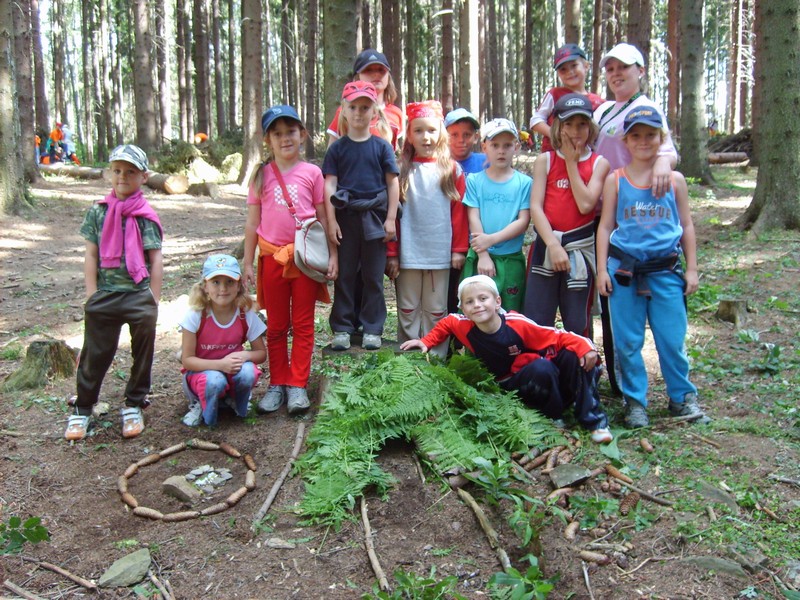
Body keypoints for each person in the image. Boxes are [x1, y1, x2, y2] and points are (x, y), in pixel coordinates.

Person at [596, 107, 708, 428]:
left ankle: (682, 397)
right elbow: (605, 227)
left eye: (650, 135)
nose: (643, 141)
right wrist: (603, 269)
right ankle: (635, 401)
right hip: (624, 273)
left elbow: (686, 225)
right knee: (628, 341)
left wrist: (692, 269)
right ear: (626, 141)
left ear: (661, 139)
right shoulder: (615, 180)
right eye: (636, 136)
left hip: (665, 272)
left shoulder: (675, 181)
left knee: (672, 337)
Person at [400, 275, 612, 443]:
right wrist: (426, 342)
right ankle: (554, 417)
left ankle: (594, 421)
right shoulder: (464, 326)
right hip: (514, 384)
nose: (477, 305)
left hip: (547, 378)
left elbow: (558, 336)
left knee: (575, 355)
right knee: (541, 369)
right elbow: (447, 322)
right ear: (463, 308)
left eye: (483, 299)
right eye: (469, 302)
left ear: (497, 301)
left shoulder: (516, 324)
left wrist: (586, 347)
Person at [593, 42, 679, 396]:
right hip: (604, 208)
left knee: (632, 310)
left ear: (640, 72)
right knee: (614, 308)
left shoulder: (645, 108)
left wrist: (662, 160)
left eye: (624, 68)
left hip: (633, 212)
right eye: (610, 69)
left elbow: (667, 149)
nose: (616, 75)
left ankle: (627, 387)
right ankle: (622, 383)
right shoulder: (604, 111)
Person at [64, 145, 163, 441]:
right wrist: (92, 294)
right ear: (110, 173)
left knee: (142, 352)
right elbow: (91, 255)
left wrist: (153, 299)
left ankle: (134, 403)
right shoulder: (98, 211)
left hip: (137, 295)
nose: (122, 177)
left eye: (130, 171)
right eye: (117, 171)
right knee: (96, 352)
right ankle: (83, 407)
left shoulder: (145, 215)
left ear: (143, 177)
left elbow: (155, 258)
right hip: (105, 295)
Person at [244, 105, 337, 413]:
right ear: (267, 139)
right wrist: (247, 260)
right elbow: (252, 222)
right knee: (276, 325)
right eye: (277, 133)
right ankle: (277, 383)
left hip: (305, 260)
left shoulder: (312, 173)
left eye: (291, 132)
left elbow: (323, 217)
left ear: (303, 135)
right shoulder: (261, 175)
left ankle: (298, 384)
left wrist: (332, 255)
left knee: (303, 323)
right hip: (272, 258)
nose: (285, 139)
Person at [385, 101, 468, 359]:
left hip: (439, 254)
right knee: (408, 308)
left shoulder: (451, 170)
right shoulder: (400, 170)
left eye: (432, 130)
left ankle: (436, 358)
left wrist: (458, 249)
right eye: (419, 130)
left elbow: (459, 213)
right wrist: (392, 253)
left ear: (441, 132)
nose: (426, 137)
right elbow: (393, 216)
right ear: (409, 135)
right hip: (409, 252)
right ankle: (409, 360)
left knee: (436, 309)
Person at [524, 94, 610, 337]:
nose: (575, 131)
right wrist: (552, 244)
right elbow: (536, 207)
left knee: (576, 319)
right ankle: (542, 371)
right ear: (558, 127)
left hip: (580, 249)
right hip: (546, 247)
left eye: (582, 124)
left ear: (591, 127)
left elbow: (585, 205)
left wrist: (572, 164)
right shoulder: (546, 160)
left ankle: (580, 371)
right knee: (537, 318)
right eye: (569, 124)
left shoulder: (598, 163)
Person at [323, 81, 400, 351]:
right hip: (345, 218)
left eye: (364, 107)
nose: (358, 113)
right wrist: (331, 221)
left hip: (375, 220)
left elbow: (392, 183)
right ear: (343, 110)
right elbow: (330, 185)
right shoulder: (337, 149)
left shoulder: (381, 147)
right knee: (345, 274)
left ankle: (373, 327)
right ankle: (343, 326)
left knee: (372, 275)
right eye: (353, 107)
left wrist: (390, 218)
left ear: (374, 112)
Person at [180, 255, 267, 426]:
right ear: (205, 286)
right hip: (202, 372)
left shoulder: (244, 314)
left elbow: (261, 354)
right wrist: (220, 365)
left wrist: (244, 356)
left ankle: (237, 404)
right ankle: (201, 407)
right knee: (214, 381)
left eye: (229, 282)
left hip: (232, 370)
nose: (223, 289)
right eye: (216, 282)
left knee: (248, 372)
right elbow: (187, 360)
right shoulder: (196, 315)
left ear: (239, 286)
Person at [461, 118, 531, 312]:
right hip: (481, 258)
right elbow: (473, 216)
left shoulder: (524, 183)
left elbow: (523, 220)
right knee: (479, 309)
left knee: (510, 312)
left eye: (507, 145)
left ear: (516, 147)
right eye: (495, 145)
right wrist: (483, 254)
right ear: (484, 147)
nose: (501, 150)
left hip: (511, 259)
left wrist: (491, 240)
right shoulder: (475, 180)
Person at [444, 107, 485, 315]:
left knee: (477, 289)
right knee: (451, 292)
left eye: (467, 135)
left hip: (479, 241)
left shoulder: (484, 162)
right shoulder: (440, 164)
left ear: (476, 137)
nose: (461, 140)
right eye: (454, 134)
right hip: (448, 241)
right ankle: (452, 337)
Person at [530, 44, 605, 154]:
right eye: (563, 69)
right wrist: (555, 134)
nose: (569, 72)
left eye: (574, 65)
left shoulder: (598, 101)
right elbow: (535, 120)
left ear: (586, 66)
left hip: (582, 157)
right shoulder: (555, 94)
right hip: (554, 155)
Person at [326, 49, 404, 150]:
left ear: (388, 76)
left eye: (381, 70)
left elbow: (397, 152)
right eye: (368, 70)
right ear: (357, 77)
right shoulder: (345, 111)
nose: (376, 74)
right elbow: (331, 152)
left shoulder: (396, 113)